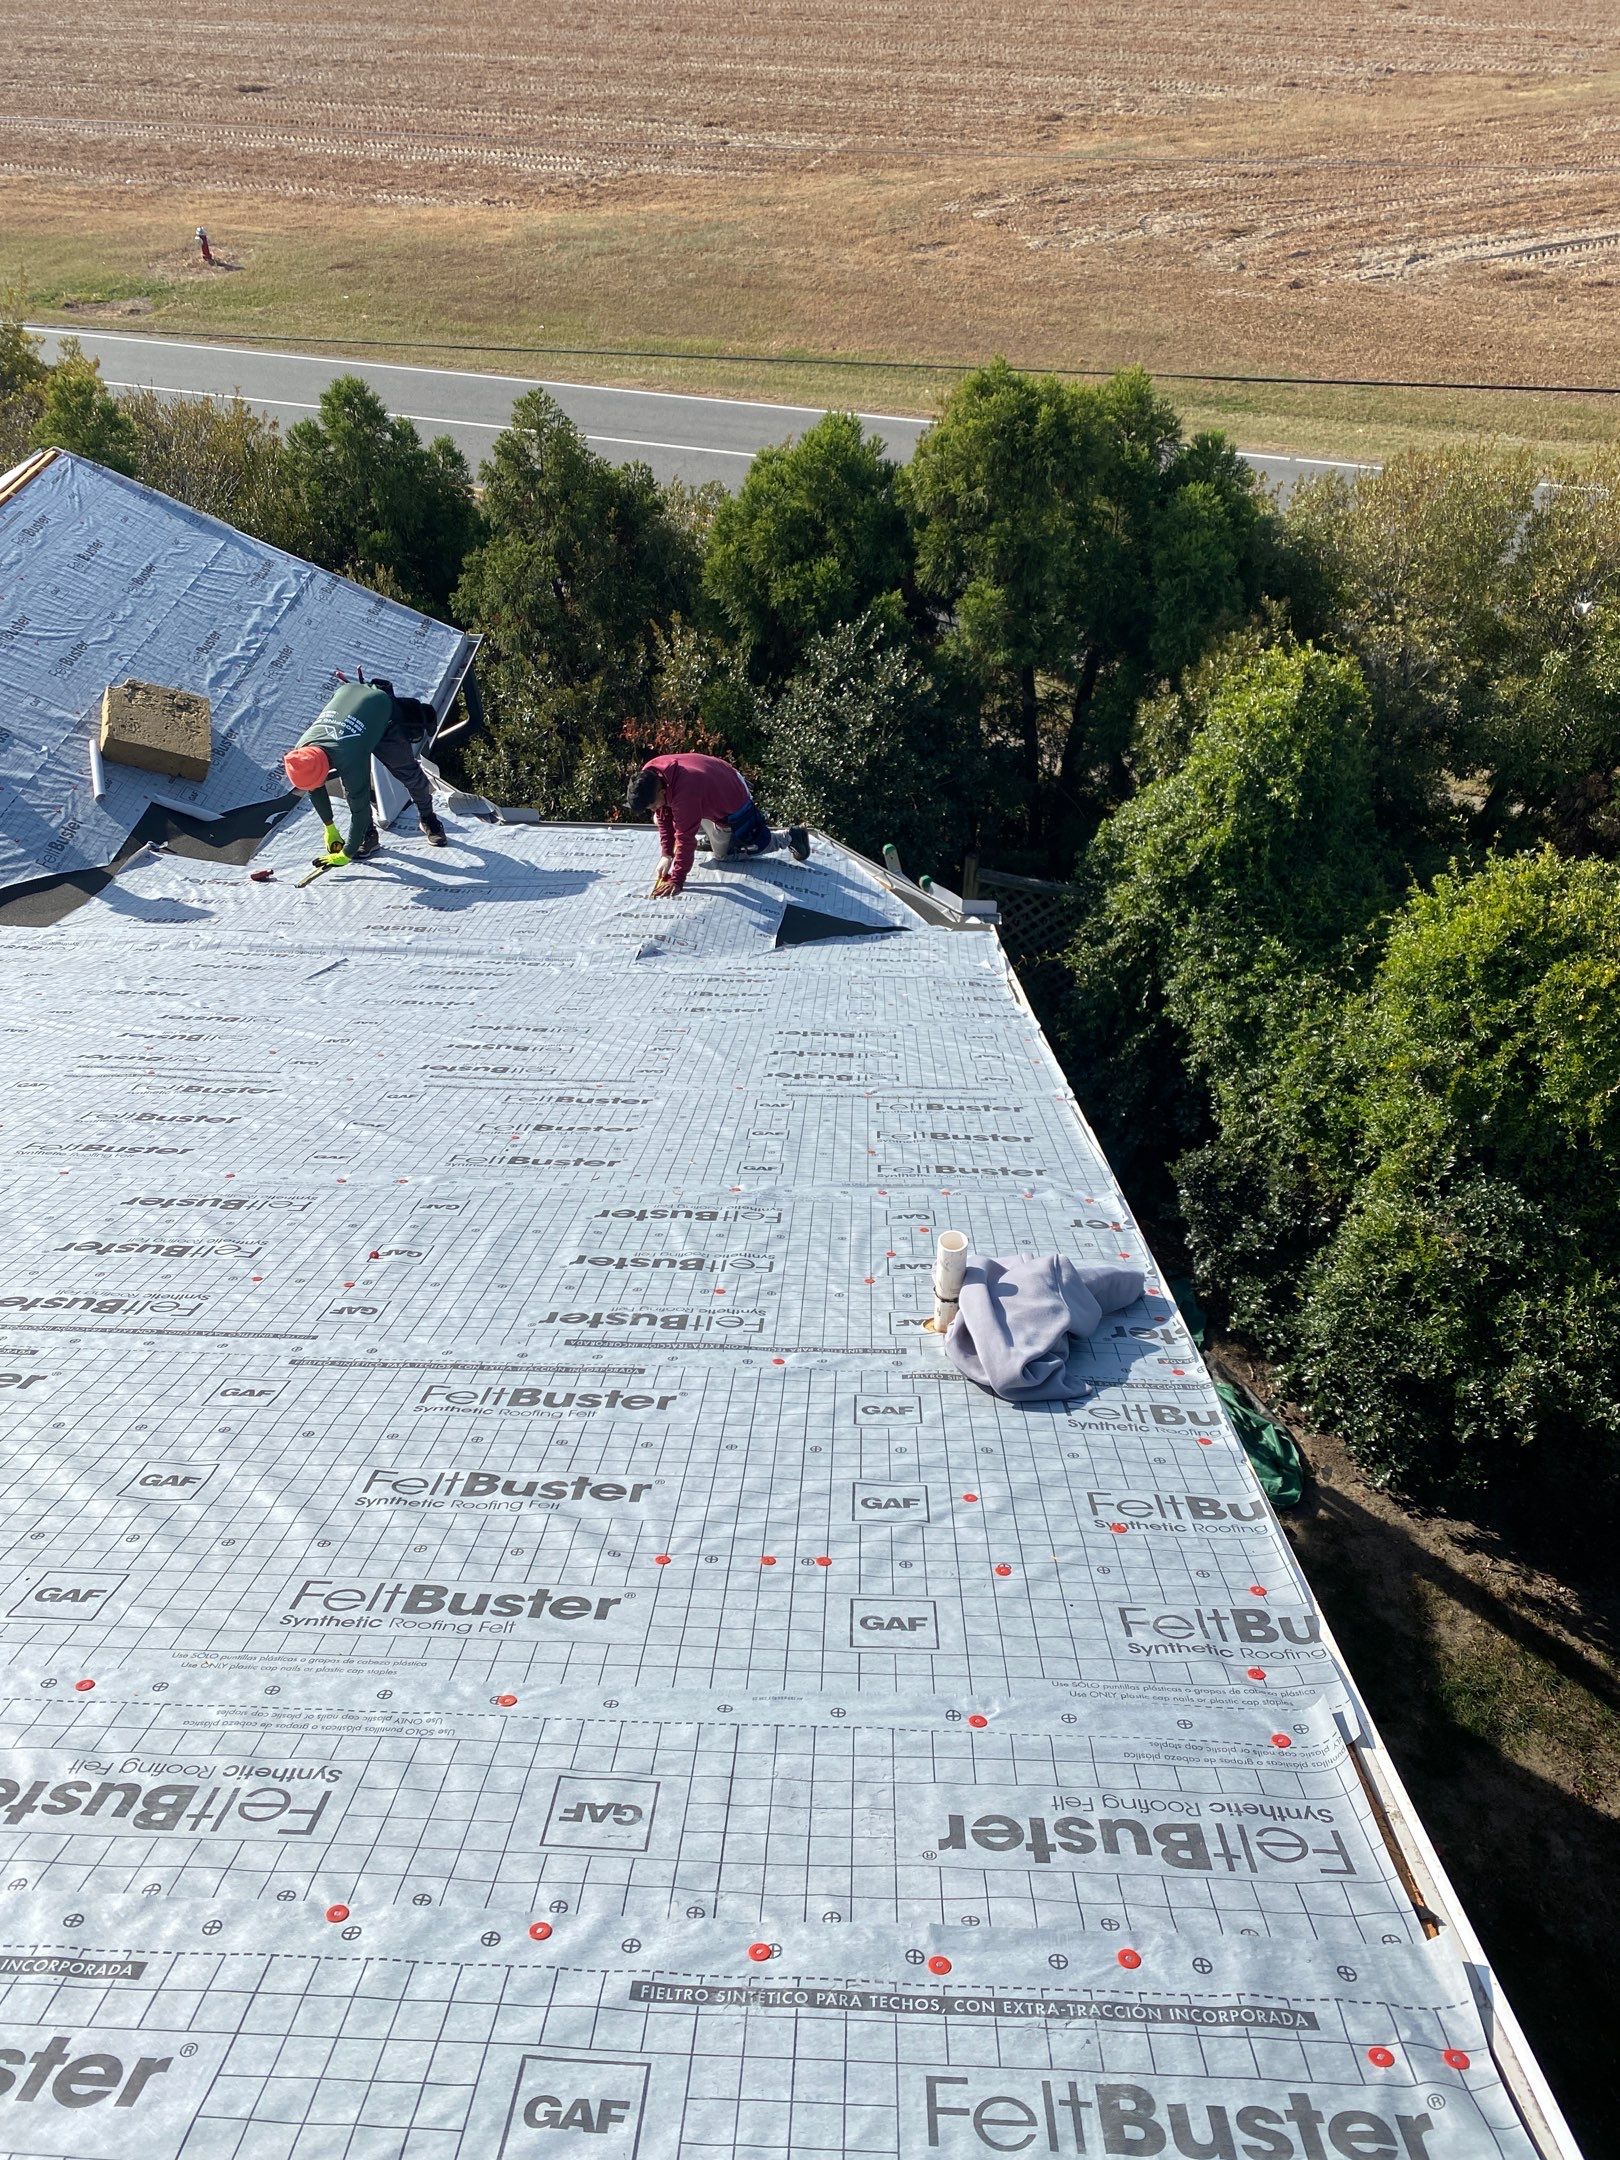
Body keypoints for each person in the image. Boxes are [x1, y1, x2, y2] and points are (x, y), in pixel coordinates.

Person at [282, 676, 447, 865]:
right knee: (350, 785)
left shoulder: (348, 755)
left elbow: (358, 806)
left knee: (408, 774)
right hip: (351, 701)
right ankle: (368, 837)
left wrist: (347, 852)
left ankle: (428, 818)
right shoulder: (302, 751)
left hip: (383, 717)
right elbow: (314, 787)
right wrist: (329, 827)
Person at [626, 753, 808, 897]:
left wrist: (677, 880)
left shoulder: (685, 795)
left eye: (653, 804)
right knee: (659, 818)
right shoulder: (650, 773)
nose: (653, 809)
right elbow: (663, 814)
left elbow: (686, 840)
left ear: (662, 790)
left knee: (723, 856)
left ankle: (791, 836)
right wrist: (666, 854)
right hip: (715, 783)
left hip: (734, 802)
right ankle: (713, 834)